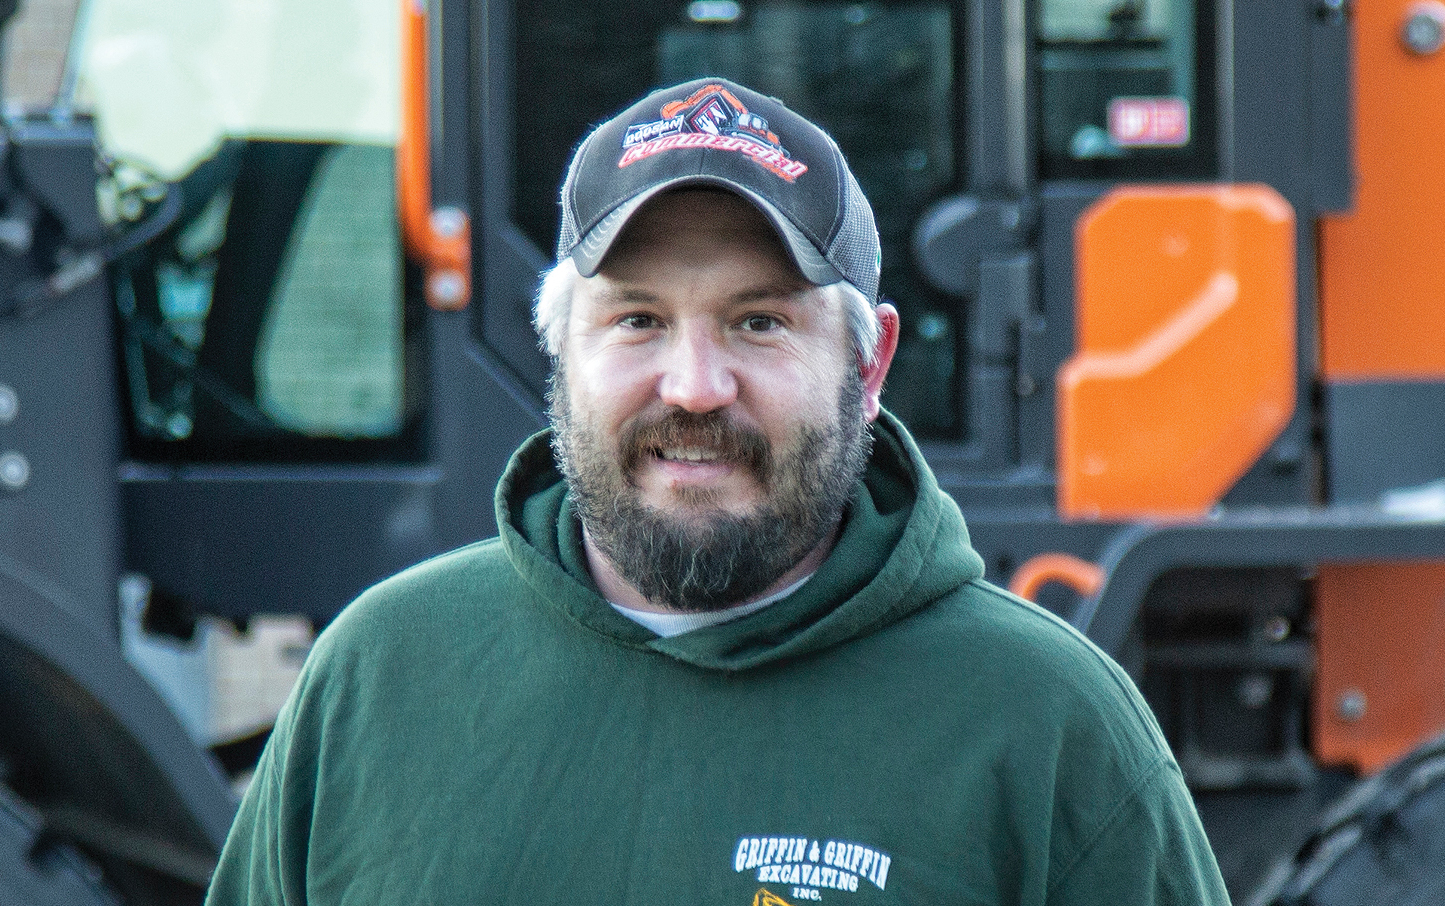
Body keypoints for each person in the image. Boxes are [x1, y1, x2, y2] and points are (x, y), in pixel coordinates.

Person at [205, 78, 1230, 905]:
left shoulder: (1043, 724)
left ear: (868, 364)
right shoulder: (379, 681)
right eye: (637, 320)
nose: (694, 388)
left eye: (758, 322)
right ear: (559, 348)